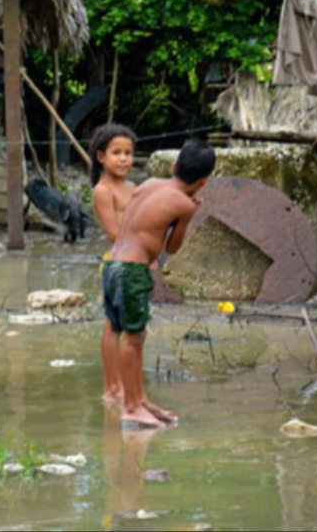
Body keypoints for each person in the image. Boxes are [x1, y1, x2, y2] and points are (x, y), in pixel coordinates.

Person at [104, 138, 215, 427]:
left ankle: (140, 400)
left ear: (174, 165)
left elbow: (136, 219)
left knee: (127, 333)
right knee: (134, 337)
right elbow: (173, 247)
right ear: (202, 183)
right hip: (132, 269)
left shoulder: (149, 183)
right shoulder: (184, 204)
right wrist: (189, 214)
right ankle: (131, 406)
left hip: (112, 264)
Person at [90, 124, 138, 403]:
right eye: (116, 153)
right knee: (114, 326)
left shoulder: (132, 187)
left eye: (128, 153)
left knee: (129, 327)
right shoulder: (102, 191)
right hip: (119, 261)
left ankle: (122, 384)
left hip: (134, 259)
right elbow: (112, 233)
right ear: (101, 157)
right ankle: (111, 387)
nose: (123, 159)